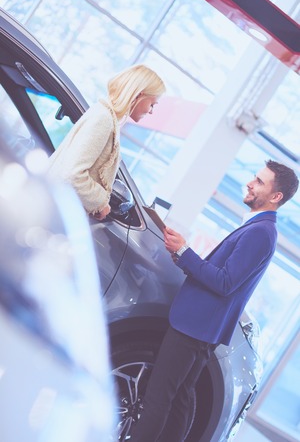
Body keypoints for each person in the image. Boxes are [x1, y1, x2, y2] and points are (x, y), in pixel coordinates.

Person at [130, 159, 299, 442]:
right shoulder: (259, 228)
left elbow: (224, 283)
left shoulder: (261, 232)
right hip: (201, 327)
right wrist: (184, 257)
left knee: (159, 397)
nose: (249, 182)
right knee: (179, 399)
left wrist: (185, 252)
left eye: (259, 181)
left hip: (195, 326)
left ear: (275, 196)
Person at [47, 64, 165, 219]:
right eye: (152, 104)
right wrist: (100, 203)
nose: (151, 111)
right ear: (139, 95)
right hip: (51, 210)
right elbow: (72, 174)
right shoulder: (105, 119)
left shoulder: (105, 115)